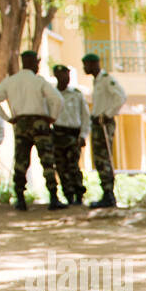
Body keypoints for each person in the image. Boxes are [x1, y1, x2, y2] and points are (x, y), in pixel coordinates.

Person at [0, 50, 65, 211]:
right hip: (40, 122)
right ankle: (53, 197)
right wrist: (52, 117)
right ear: (32, 63)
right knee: (47, 160)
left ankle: (20, 199)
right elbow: (58, 99)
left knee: (21, 161)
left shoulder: (11, 81)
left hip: (21, 123)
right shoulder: (38, 81)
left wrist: (9, 118)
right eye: (37, 62)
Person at [82, 53, 125, 208]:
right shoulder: (97, 81)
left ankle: (109, 194)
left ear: (94, 64)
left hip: (104, 123)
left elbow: (121, 97)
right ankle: (106, 193)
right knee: (99, 159)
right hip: (97, 122)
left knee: (104, 157)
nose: (84, 68)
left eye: (86, 65)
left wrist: (107, 114)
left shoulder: (106, 79)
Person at [50, 65, 90, 205]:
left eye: (67, 75)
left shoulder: (76, 94)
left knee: (73, 166)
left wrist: (83, 135)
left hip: (73, 134)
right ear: (56, 76)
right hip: (58, 133)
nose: (65, 78)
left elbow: (85, 117)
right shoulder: (51, 94)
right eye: (62, 75)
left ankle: (79, 195)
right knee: (61, 167)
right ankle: (68, 195)